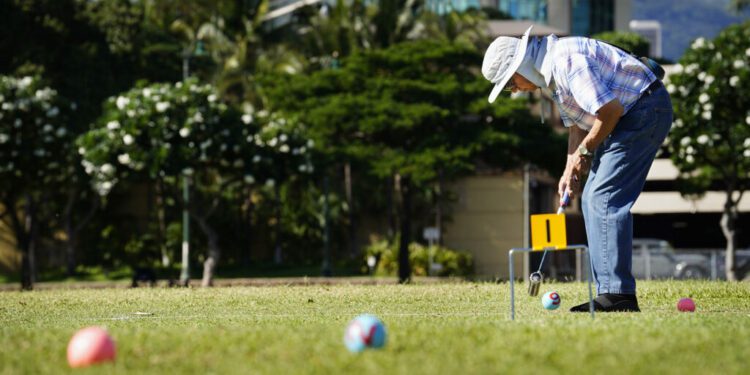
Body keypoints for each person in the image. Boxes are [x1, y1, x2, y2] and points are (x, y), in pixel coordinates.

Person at [482, 26, 672, 312]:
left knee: (602, 198)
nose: (515, 91)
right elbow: (576, 126)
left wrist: (585, 152)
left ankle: (617, 294)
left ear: (520, 66)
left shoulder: (565, 61)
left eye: (510, 84)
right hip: (627, 117)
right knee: (591, 198)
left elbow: (609, 111)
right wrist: (569, 169)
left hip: (643, 110)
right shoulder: (552, 74)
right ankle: (610, 291)